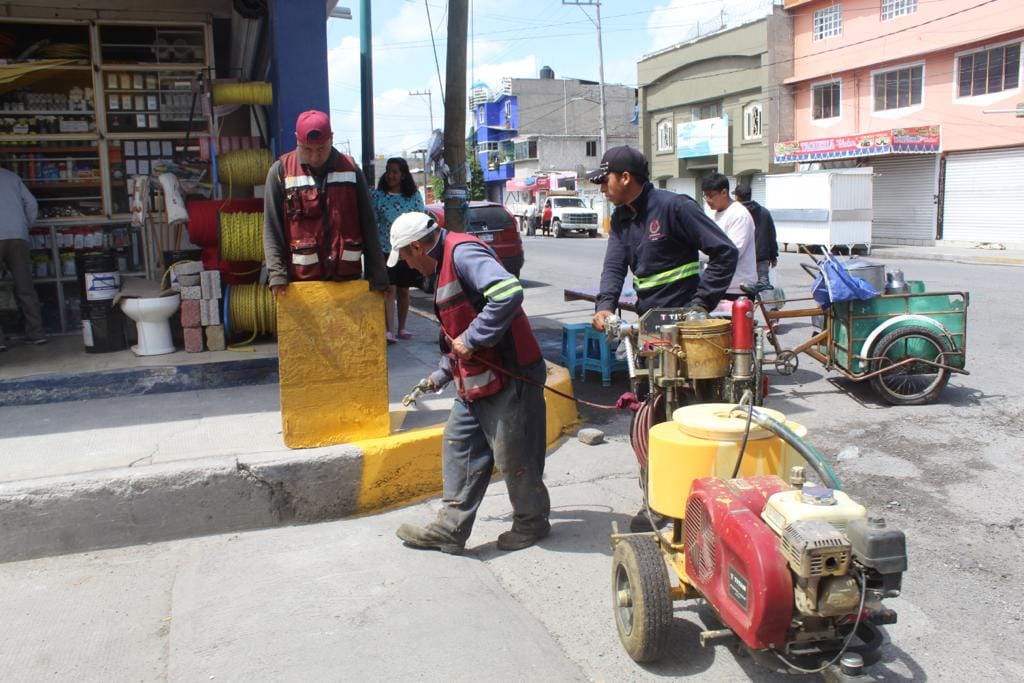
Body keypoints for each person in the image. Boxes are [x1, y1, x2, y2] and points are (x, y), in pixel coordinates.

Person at [588, 146, 738, 532]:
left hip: (687, 333)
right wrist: (605, 306)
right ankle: (657, 499)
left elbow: (724, 253)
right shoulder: (622, 218)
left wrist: (700, 305)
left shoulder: (675, 207)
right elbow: (614, 265)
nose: (602, 187)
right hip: (648, 329)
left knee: (690, 414)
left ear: (625, 177)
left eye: (605, 179)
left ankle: (705, 502)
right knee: (651, 416)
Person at [388, 211, 550, 555]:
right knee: (458, 445)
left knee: (514, 453)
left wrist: (474, 339)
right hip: (473, 379)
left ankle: (531, 522)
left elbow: (507, 292)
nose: (408, 266)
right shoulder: (444, 262)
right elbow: (457, 329)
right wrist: (442, 372)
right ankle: (449, 529)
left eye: (405, 257)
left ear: (417, 247)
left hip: (509, 373)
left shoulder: (463, 253)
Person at [263, 110, 388, 299]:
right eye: (307, 149)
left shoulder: (351, 169)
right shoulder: (281, 172)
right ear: (297, 140)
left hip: (348, 281)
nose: (315, 157)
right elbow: (272, 229)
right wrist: (277, 276)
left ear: (332, 139)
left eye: (321, 149)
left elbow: (369, 225)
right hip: (302, 284)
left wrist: (378, 277)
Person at [372, 157, 425, 344]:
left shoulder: (414, 197)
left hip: (407, 252)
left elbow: (421, 221)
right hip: (386, 250)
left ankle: (402, 327)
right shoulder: (378, 196)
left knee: (403, 290)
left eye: (394, 172)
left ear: (403, 175)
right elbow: (372, 222)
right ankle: (389, 330)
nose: (390, 175)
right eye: (388, 171)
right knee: (389, 290)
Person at [0, 167, 47, 351]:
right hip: (18, 235)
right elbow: (31, 203)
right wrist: (25, 226)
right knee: (25, 287)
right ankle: (36, 333)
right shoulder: (11, 176)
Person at [701, 173, 757, 299]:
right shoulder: (710, 212)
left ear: (724, 192)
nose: (708, 200)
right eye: (705, 196)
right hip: (713, 285)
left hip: (736, 288)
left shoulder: (739, 215)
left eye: (710, 196)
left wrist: (695, 254)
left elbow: (732, 253)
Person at [733, 183, 778, 288]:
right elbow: (772, 235)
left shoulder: (735, 213)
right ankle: (767, 304)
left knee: (741, 288)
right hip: (762, 258)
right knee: (764, 288)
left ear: (736, 197)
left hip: (743, 260)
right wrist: (773, 256)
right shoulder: (764, 212)